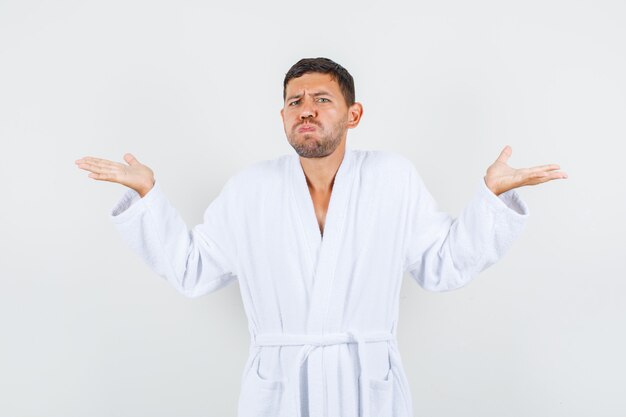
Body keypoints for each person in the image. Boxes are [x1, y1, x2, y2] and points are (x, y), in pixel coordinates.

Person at [75, 57, 567, 417]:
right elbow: (192, 270)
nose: (305, 110)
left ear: (353, 115)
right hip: (280, 390)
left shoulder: (392, 178)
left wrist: (491, 199)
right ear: (284, 117)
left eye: (322, 99)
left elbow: (443, 264)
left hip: (366, 385)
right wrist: (147, 197)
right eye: (294, 102)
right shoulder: (251, 189)